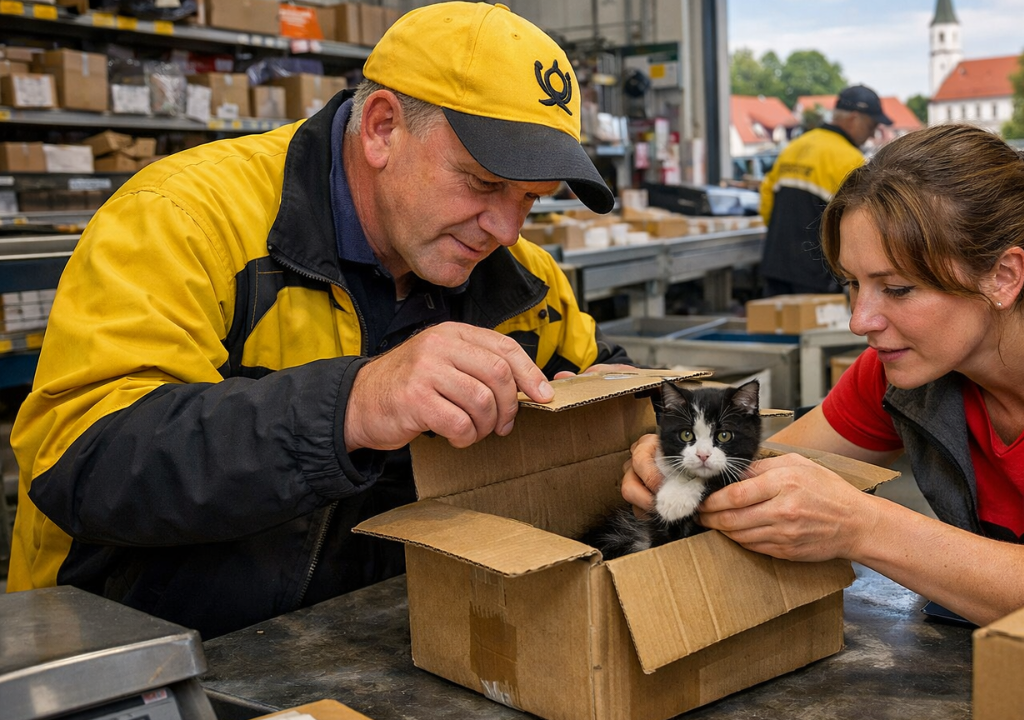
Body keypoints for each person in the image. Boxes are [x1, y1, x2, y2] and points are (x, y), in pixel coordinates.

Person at [8, 2, 633, 638]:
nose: (507, 229)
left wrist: (704, 466)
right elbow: (80, 465)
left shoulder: (519, 280)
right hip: (140, 656)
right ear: (383, 128)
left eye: (529, 199)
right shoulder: (182, 220)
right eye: (479, 183)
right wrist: (353, 405)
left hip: (361, 644)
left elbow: (613, 388)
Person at [624, 124, 1024, 626]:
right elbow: (768, 465)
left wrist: (866, 528)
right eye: (854, 285)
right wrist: (677, 469)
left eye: (898, 288)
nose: (861, 320)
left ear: (1003, 275)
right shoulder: (907, 368)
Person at [758, 85, 891, 297]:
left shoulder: (795, 147)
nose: (872, 133)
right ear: (854, 119)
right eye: (871, 125)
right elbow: (861, 224)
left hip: (775, 265)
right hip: (817, 276)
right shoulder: (850, 160)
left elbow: (766, 203)